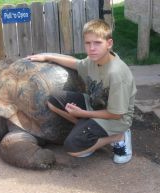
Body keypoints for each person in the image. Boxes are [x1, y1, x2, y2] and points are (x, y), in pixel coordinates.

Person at [27, 19, 137, 164]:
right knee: (53, 100)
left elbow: (116, 114)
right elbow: (75, 63)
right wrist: (47, 56)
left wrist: (83, 114)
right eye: (88, 43)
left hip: (116, 119)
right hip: (95, 105)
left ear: (109, 43)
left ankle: (118, 137)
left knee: (73, 149)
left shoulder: (116, 74)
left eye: (97, 43)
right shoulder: (93, 60)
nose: (92, 48)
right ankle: (87, 128)